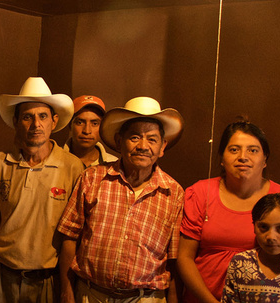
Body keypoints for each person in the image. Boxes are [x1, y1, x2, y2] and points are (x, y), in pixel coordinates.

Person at [57, 97, 186, 303]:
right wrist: (66, 290)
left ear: (162, 147)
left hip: (147, 298)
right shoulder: (92, 178)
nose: (143, 146)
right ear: (119, 142)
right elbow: (70, 237)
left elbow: (173, 259)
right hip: (91, 295)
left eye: (152, 139)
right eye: (134, 137)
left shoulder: (174, 192)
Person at [177, 121, 280, 303]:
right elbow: (184, 257)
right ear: (221, 157)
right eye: (234, 149)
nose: (243, 157)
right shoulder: (200, 194)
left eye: (253, 150)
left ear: (265, 159)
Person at [0, 77, 83, 302]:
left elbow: (75, 234)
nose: (36, 124)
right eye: (27, 117)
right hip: (3, 277)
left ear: (54, 121)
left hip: (47, 281)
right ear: (16, 120)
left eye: (43, 116)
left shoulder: (72, 167)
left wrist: (68, 288)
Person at [63, 95, 117, 168]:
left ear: (102, 128)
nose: (87, 131)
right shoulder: (53, 161)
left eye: (94, 123)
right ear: (70, 125)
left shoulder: (114, 165)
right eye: (80, 123)